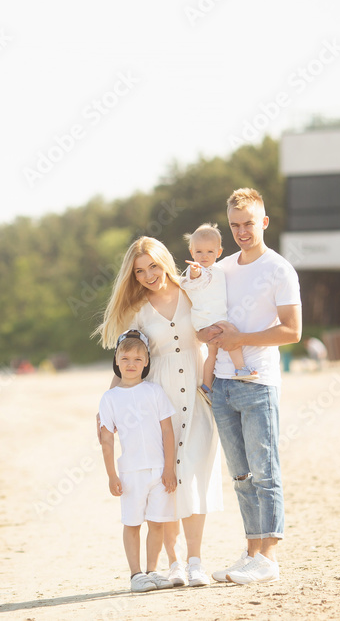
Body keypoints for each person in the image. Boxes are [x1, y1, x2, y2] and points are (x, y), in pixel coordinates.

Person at [95, 236, 224, 588]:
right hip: (158, 402)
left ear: (165, 261)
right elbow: (127, 360)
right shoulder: (137, 311)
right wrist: (108, 405)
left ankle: (196, 561)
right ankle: (174, 563)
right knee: (168, 484)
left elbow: (218, 317)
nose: (149, 275)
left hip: (198, 396)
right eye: (140, 271)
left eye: (153, 266)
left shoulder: (191, 292)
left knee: (195, 476)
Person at [201, 188, 301, 585]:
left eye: (249, 223)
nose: (243, 231)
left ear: (264, 222)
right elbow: (204, 311)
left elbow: (292, 331)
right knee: (241, 475)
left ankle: (269, 558)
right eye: (235, 225)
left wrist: (241, 339)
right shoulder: (222, 269)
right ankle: (252, 551)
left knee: (265, 470)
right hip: (222, 383)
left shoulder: (279, 270)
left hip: (258, 383)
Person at [98, 330, 177, 592]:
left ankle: (153, 570)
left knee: (157, 522)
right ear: (116, 361)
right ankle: (136, 575)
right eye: (125, 358)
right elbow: (107, 441)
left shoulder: (155, 392)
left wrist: (169, 468)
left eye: (137, 359)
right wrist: (111, 475)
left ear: (146, 363)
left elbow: (167, 431)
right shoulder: (109, 399)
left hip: (159, 471)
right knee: (132, 523)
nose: (131, 364)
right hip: (130, 472)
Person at [178, 223, 258, 393]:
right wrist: (194, 272)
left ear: (218, 252)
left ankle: (206, 386)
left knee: (212, 355)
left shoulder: (218, 270)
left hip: (209, 320)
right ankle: (241, 369)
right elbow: (194, 279)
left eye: (210, 252)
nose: (204, 256)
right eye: (199, 252)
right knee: (232, 336)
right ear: (192, 253)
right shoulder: (198, 271)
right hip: (208, 320)